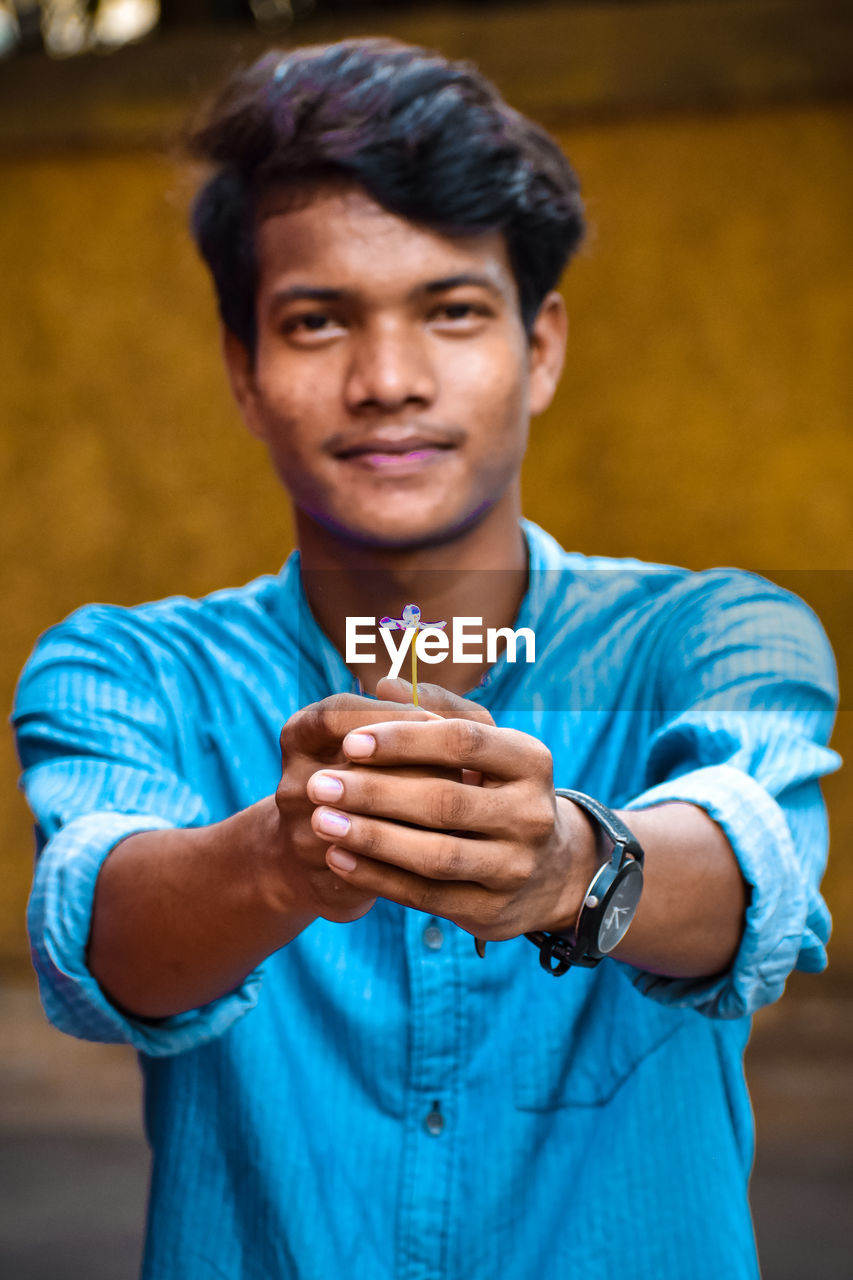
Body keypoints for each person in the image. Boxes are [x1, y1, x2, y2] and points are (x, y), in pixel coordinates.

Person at [13, 37, 839, 1280]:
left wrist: (571, 862)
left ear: (541, 345)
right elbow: (104, 939)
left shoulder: (719, 631)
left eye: (451, 310)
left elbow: (752, 874)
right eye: (315, 320)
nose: (387, 380)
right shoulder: (124, 667)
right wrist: (280, 855)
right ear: (242, 368)